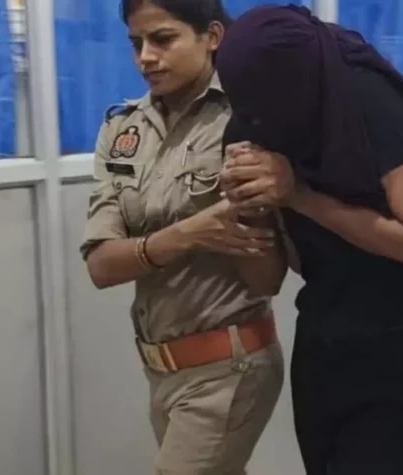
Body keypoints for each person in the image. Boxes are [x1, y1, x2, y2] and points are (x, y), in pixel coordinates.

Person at [213, 5, 403, 475]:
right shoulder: (252, 123)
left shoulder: (367, 101)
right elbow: (265, 281)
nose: (256, 114)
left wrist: (298, 195)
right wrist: (249, 211)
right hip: (325, 336)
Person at [80, 1, 285, 473]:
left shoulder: (248, 118)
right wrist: (189, 233)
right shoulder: (123, 128)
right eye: (136, 43)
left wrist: (252, 207)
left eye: (163, 39)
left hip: (230, 367)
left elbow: (267, 279)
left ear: (211, 36)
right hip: (161, 371)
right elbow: (101, 266)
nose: (146, 57)